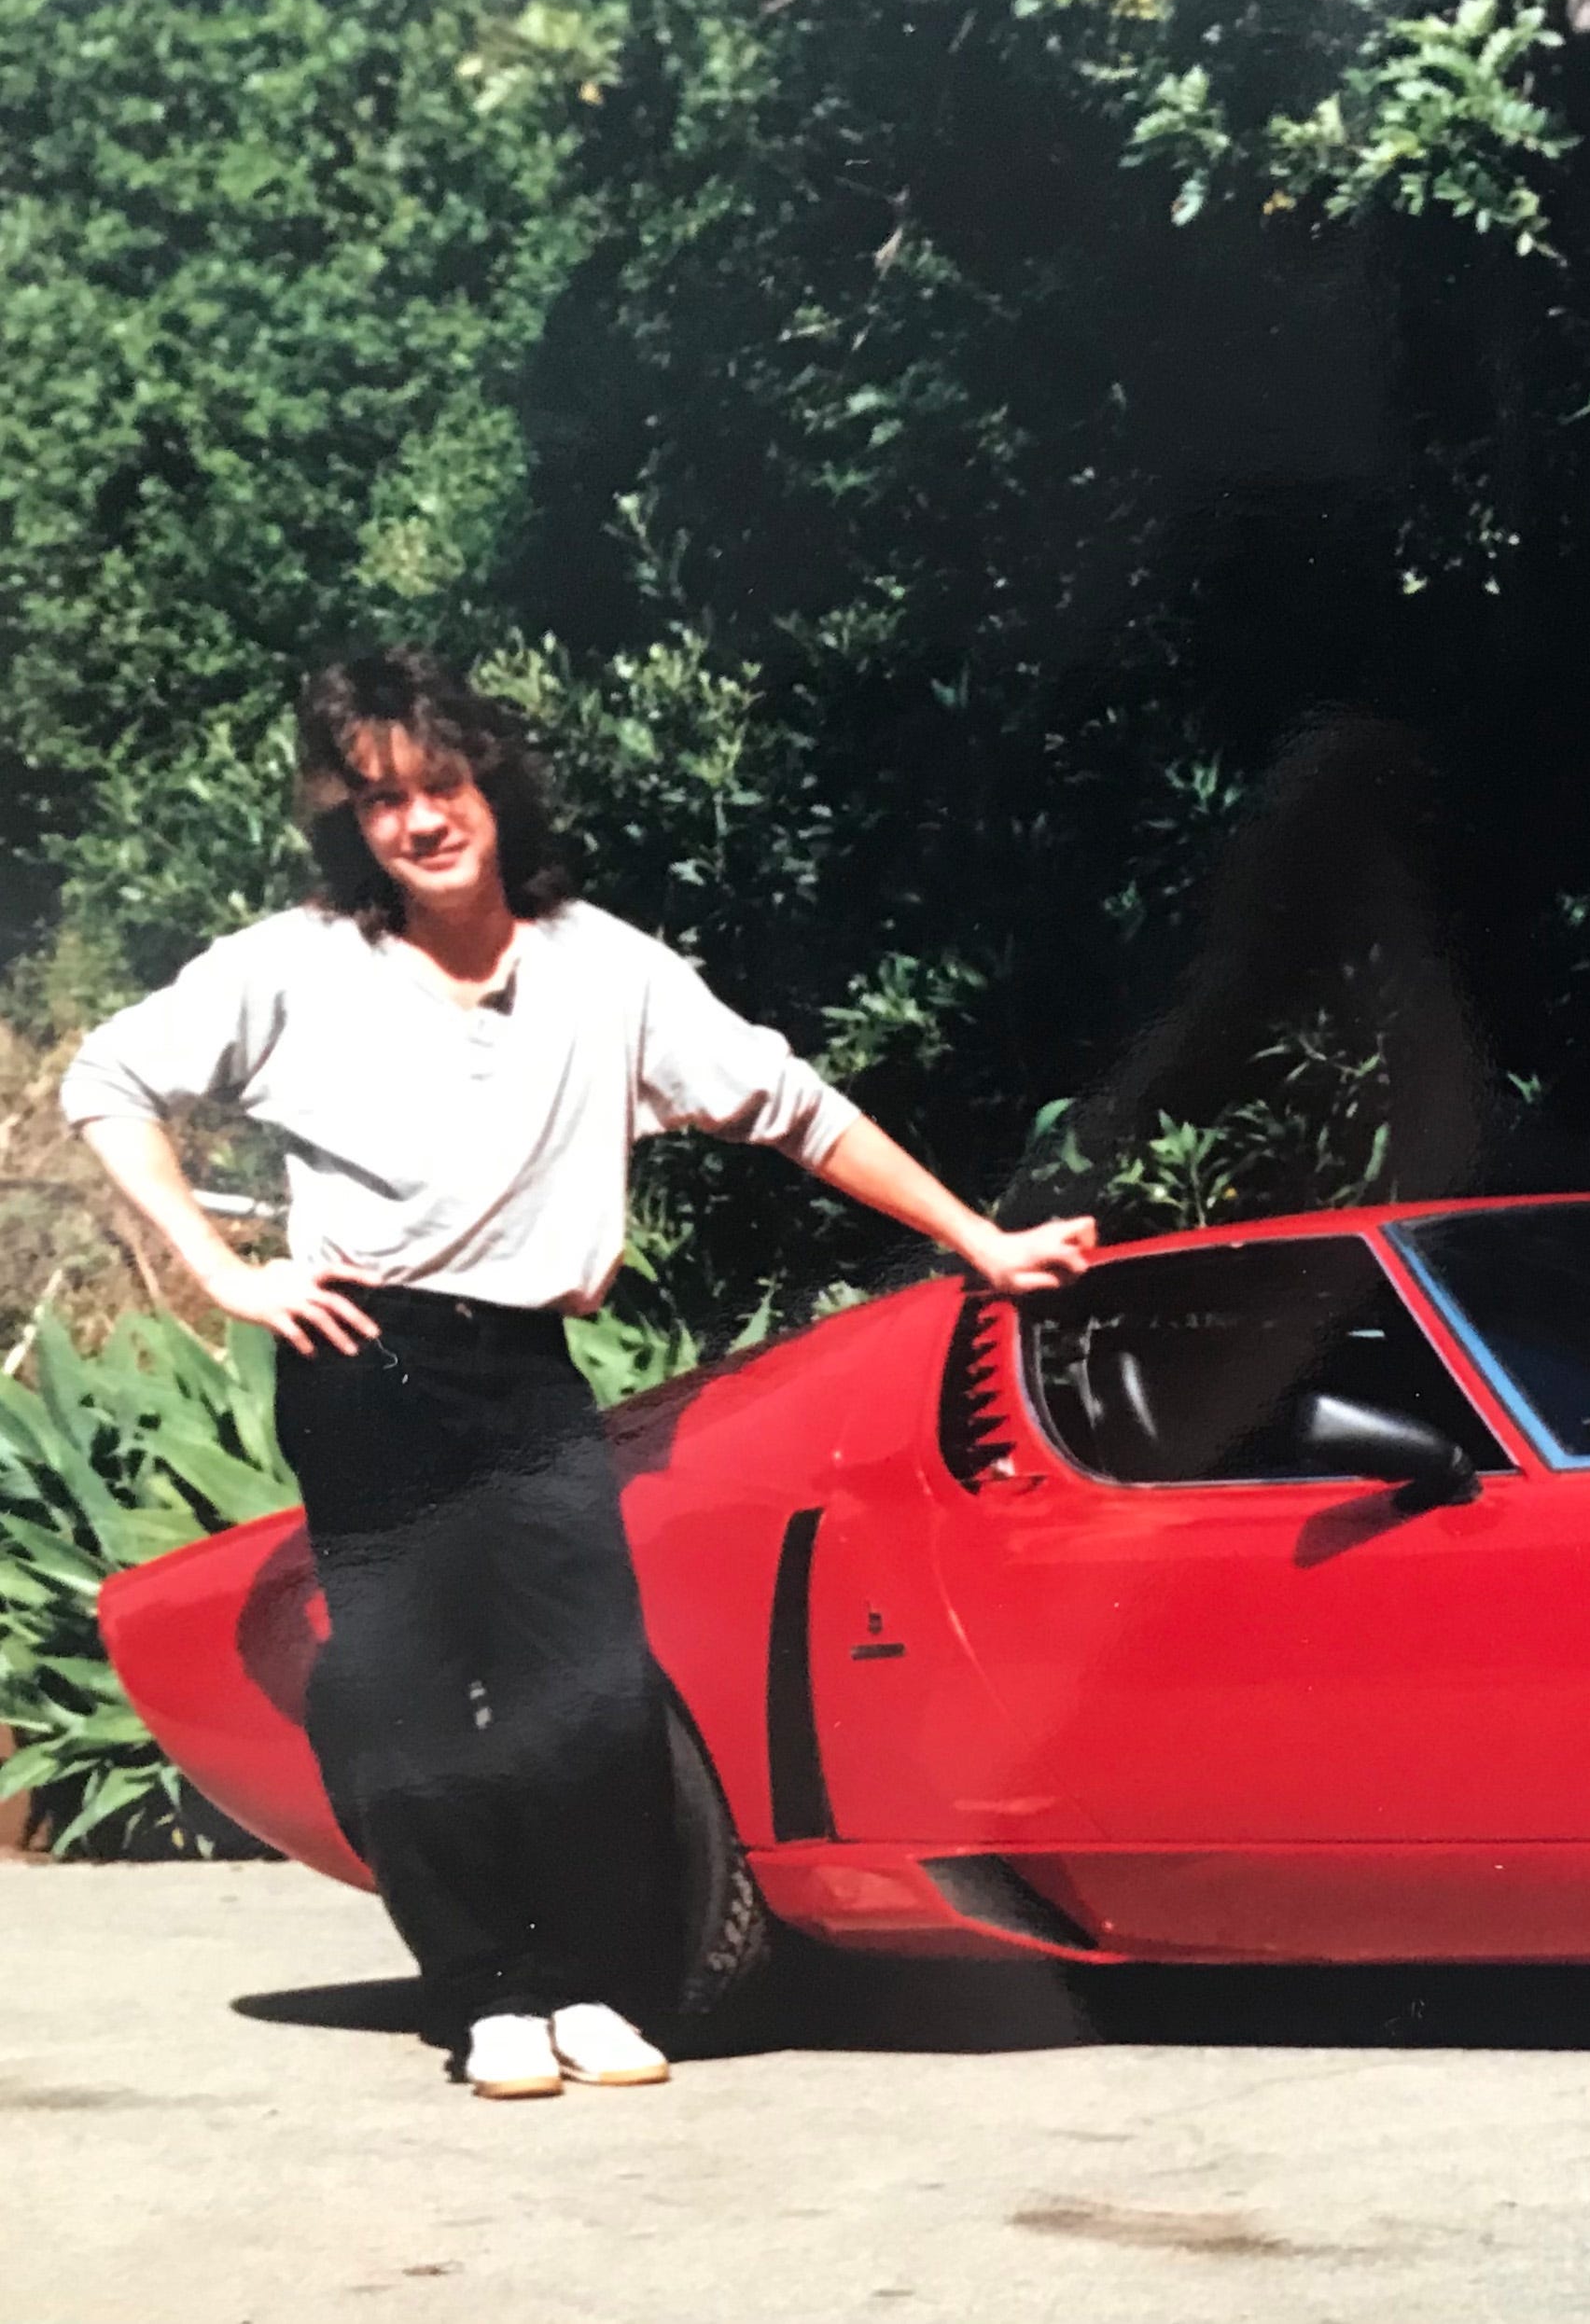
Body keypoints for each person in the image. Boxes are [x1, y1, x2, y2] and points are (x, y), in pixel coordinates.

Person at [63, 647, 1095, 2099]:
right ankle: (490, 1996)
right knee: (417, 1693)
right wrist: (223, 1270)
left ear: (494, 790)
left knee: (590, 1690)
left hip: (529, 1368)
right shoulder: (294, 963)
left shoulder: (604, 966)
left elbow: (794, 1108)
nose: (420, 821)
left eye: (441, 785)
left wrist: (976, 1237)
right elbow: (106, 1084)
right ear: (352, 825)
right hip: (369, 1357)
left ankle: (598, 1989)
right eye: (381, 801)